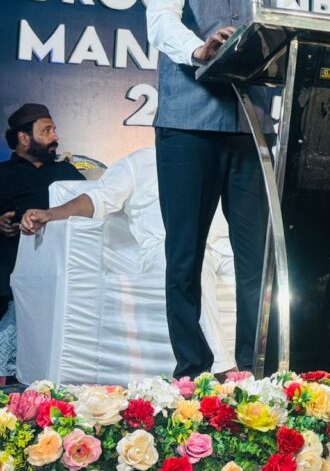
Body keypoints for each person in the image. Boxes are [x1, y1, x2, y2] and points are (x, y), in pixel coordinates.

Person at [146, 0, 298, 377]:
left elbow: (293, 23)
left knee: (256, 257)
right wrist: (199, 48)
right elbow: (162, 23)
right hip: (188, 128)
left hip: (251, 130)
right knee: (185, 254)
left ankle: (256, 368)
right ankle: (192, 370)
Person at [19, 147, 236, 372]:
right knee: (193, 269)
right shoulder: (138, 162)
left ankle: (258, 366)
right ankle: (223, 370)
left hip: (225, 246)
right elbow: (98, 198)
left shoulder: (217, 157)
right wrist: (51, 213)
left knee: (257, 276)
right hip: (167, 246)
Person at [0, 104, 84, 381]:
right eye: (46, 131)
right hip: (9, 277)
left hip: (58, 277)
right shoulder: (3, 173)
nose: (55, 137)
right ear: (24, 137)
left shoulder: (67, 173)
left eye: (54, 130)